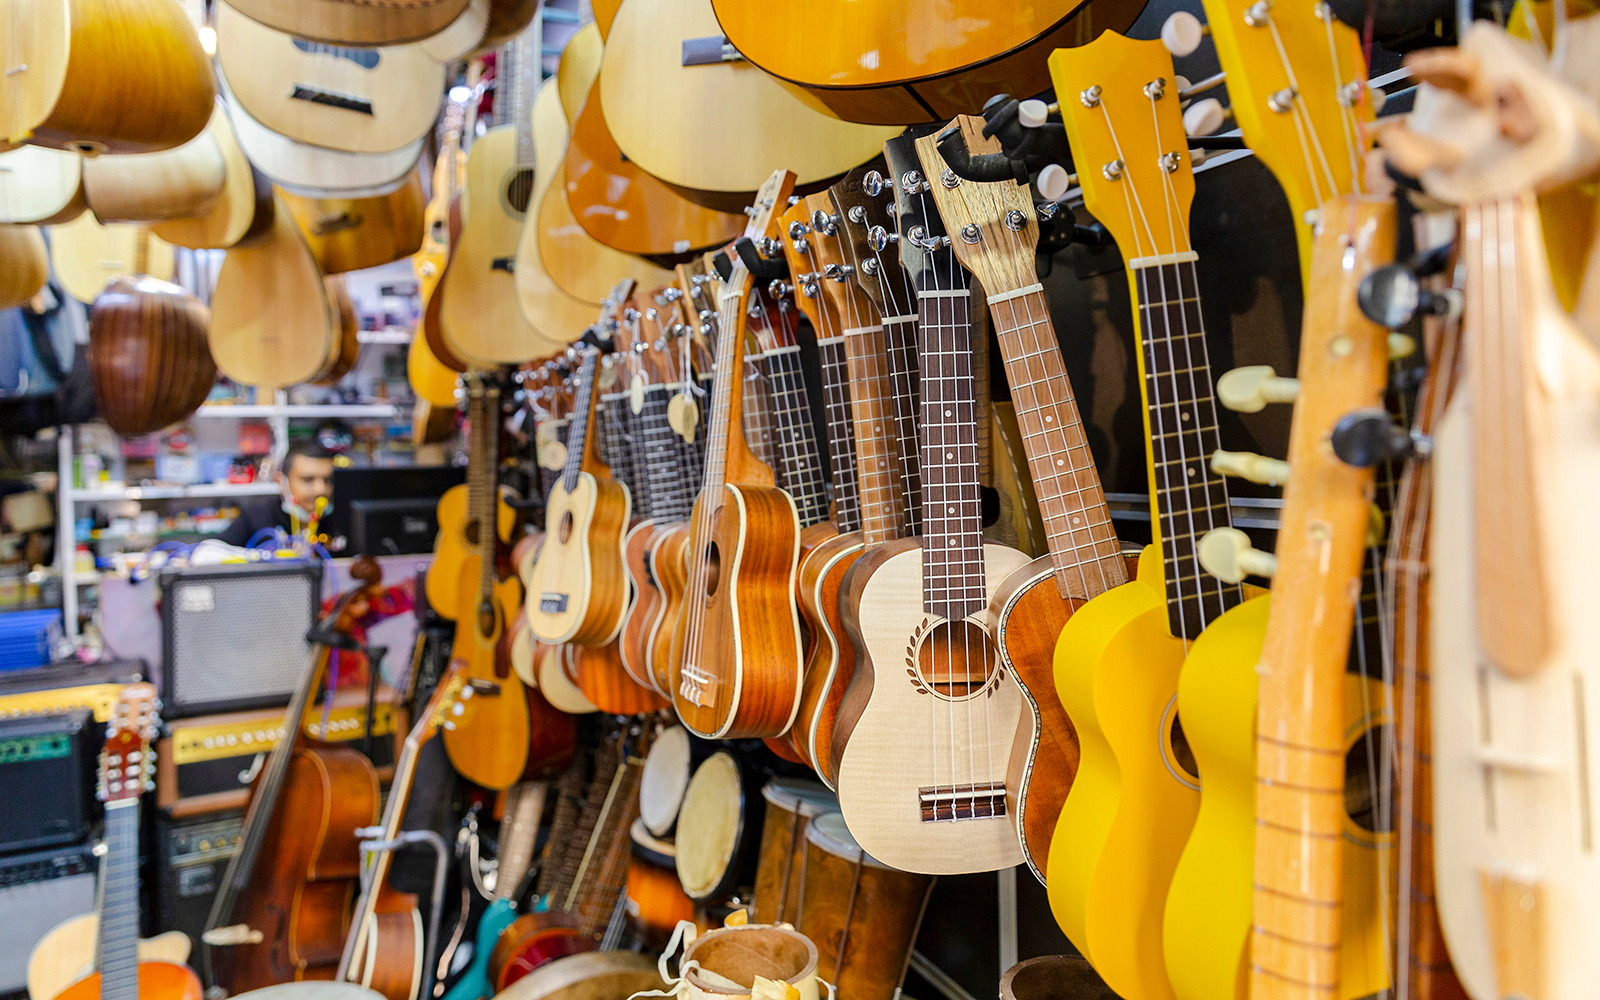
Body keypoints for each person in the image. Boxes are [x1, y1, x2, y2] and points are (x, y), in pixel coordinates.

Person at [217, 440, 337, 547]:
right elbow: (209, 551)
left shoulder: (341, 520)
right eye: (307, 480)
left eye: (327, 480)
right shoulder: (257, 516)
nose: (320, 490)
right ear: (281, 482)